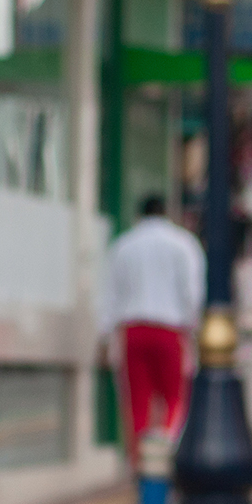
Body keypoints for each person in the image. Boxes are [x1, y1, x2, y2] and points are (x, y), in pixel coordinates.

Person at [100, 194, 204, 465]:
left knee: (138, 401)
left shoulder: (123, 245)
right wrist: (193, 328)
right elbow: (192, 294)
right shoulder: (183, 244)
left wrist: (104, 335)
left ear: (139, 216)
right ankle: (168, 455)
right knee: (173, 398)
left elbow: (110, 294)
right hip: (171, 331)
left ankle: (140, 462)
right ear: (167, 213)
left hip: (133, 330)